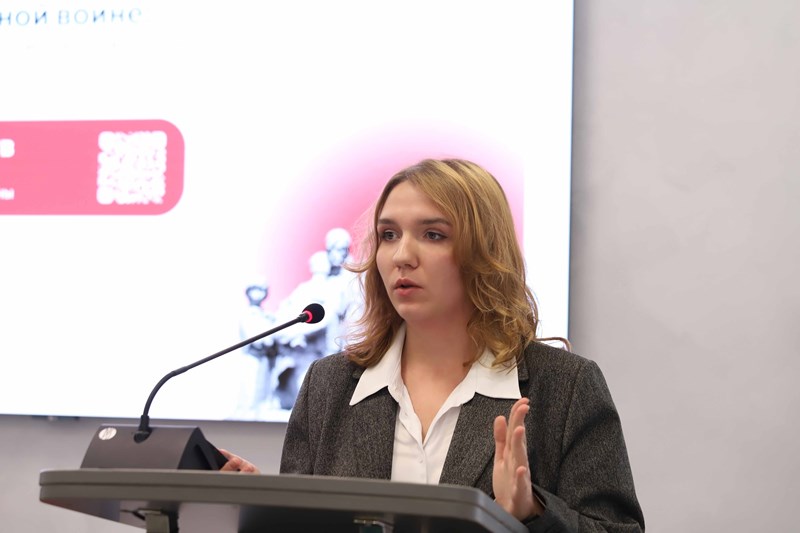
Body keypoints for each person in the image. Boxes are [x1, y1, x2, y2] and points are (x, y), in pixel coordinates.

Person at [221, 158, 645, 532]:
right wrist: (261, 509)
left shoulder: (565, 386)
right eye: (389, 235)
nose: (401, 256)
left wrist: (533, 512)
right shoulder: (329, 385)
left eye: (433, 234)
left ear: (485, 250)